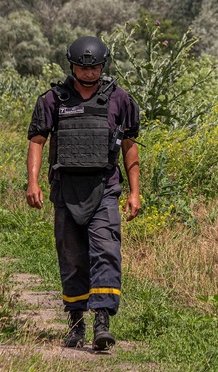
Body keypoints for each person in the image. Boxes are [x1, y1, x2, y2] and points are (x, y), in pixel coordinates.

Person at [26, 35, 141, 351]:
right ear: (73, 65)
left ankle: (102, 323)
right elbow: (37, 141)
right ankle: (76, 325)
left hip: (104, 188)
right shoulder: (53, 100)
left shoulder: (120, 100)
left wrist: (135, 192)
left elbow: (130, 147)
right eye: (83, 67)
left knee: (106, 251)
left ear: (103, 65)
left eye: (95, 68)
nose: (90, 73)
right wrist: (32, 182)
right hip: (65, 190)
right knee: (73, 258)